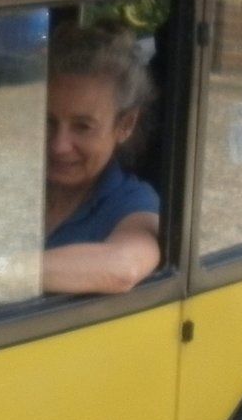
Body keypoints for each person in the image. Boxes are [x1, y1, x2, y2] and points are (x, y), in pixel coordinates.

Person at [40, 23, 162, 295]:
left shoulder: (132, 202)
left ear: (126, 125)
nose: (59, 146)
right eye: (48, 122)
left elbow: (123, 268)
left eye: (82, 127)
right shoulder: (19, 183)